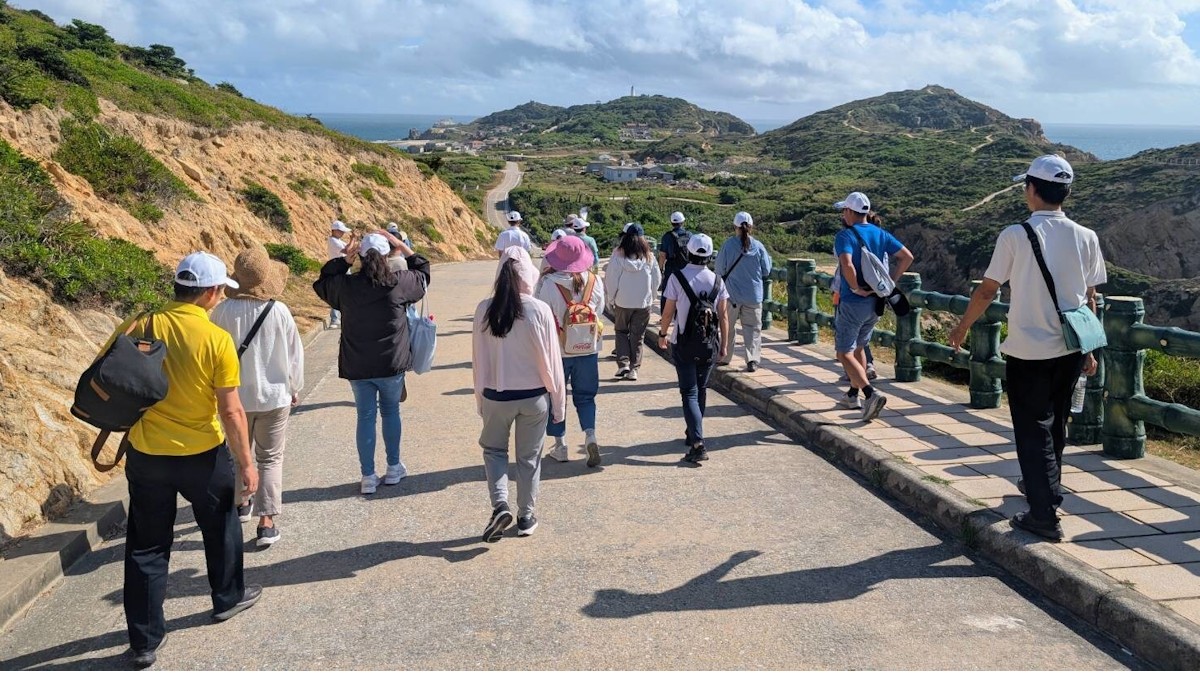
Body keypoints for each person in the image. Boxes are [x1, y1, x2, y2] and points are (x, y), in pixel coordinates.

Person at [97, 252, 261, 668]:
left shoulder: (141, 322)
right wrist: (246, 462)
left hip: (147, 452)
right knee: (220, 526)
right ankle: (226, 599)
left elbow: (107, 368)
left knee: (147, 544)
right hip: (202, 453)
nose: (221, 296)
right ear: (209, 292)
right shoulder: (214, 339)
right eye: (221, 289)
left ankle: (145, 641)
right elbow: (231, 410)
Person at [949, 154, 1104, 542]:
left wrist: (962, 327)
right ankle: (1046, 490)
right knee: (1055, 423)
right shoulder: (1086, 236)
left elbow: (988, 289)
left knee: (1031, 429)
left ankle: (1044, 513)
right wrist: (1089, 349)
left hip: (1028, 349)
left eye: (1026, 186)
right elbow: (1090, 297)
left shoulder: (1015, 235)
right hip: (1069, 348)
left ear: (1032, 189)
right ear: (1064, 191)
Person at [313, 230, 430, 494]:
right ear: (388, 255)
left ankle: (367, 475)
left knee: (365, 417)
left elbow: (322, 282)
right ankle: (393, 467)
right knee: (390, 413)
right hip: (391, 363)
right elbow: (423, 272)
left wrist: (344, 259)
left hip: (357, 364)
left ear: (361, 257)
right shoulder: (398, 283)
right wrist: (402, 244)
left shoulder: (346, 286)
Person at [210, 245, 304, 548]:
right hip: (274, 395)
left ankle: (242, 504)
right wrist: (294, 386)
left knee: (240, 452)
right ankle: (267, 522)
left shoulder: (221, 312)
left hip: (234, 397)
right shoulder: (279, 311)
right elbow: (294, 355)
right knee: (271, 457)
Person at [472, 247, 567, 541]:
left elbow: (479, 360)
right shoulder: (538, 309)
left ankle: (500, 504)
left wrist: (480, 400)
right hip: (534, 396)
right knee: (529, 458)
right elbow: (553, 361)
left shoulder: (484, 309)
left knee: (494, 451)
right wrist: (558, 403)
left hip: (496, 396)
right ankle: (526, 516)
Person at [832, 191, 913, 421]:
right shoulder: (881, 233)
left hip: (854, 301)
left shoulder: (845, 236)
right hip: (876, 303)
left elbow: (847, 264)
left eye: (843, 210)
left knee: (844, 353)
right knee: (859, 348)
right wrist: (889, 283)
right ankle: (852, 395)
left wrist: (855, 286)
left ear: (849, 212)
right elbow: (907, 257)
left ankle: (870, 394)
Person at [658, 234, 729, 464]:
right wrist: (724, 344)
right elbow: (724, 316)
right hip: (709, 344)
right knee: (701, 389)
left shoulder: (677, 278)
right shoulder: (717, 281)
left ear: (688, 253)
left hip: (684, 342)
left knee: (688, 392)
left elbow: (668, 312)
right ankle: (693, 431)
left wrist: (662, 334)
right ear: (709, 256)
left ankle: (698, 443)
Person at [536, 235, 606, 467]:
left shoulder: (549, 284)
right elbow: (601, 309)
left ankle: (561, 445)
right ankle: (590, 436)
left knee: (557, 398)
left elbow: (541, 314)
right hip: (588, 349)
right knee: (586, 397)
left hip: (558, 350)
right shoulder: (595, 281)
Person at [714, 211, 772, 372]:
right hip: (753, 295)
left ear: (735, 227)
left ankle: (725, 357)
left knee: (728, 327)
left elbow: (719, 269)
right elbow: (766, 270)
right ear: (751, 227)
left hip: (731, 295)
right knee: (752, 329)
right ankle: (752, 360)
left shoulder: (728, 245)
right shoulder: (759, 246)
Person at [605, 223, 661, 381]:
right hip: (643, 303)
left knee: (621, 332)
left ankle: (623, 364)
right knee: (638, 336)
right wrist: (652, 295)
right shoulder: (649, 256)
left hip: (623, 301)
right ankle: (634, 369)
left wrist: (611, 298)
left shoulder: (618, 255)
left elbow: (611, 279)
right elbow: (656, 279)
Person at [658, 211, 691, 312]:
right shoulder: (689, 235)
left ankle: (664, 315)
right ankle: (681, 313)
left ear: (672, 223)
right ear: (683, 222)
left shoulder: (667, 236)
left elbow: (663, 255)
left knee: (667, 292)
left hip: (671, 267)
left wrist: (660, 268)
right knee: (684, 291)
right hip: (686, 268)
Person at [326, 220, 351, 328]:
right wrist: (353, 239)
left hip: (343, 268)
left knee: (344, 293)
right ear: (334, 230)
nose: (342, 233)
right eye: (341, 231)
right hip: (338, 269)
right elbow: (347, 251)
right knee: (337, 293)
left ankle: (341, 318)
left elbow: (349, 248)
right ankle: (335, 319)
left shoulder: (338, 240)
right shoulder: (333, 241)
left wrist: (352, 241)